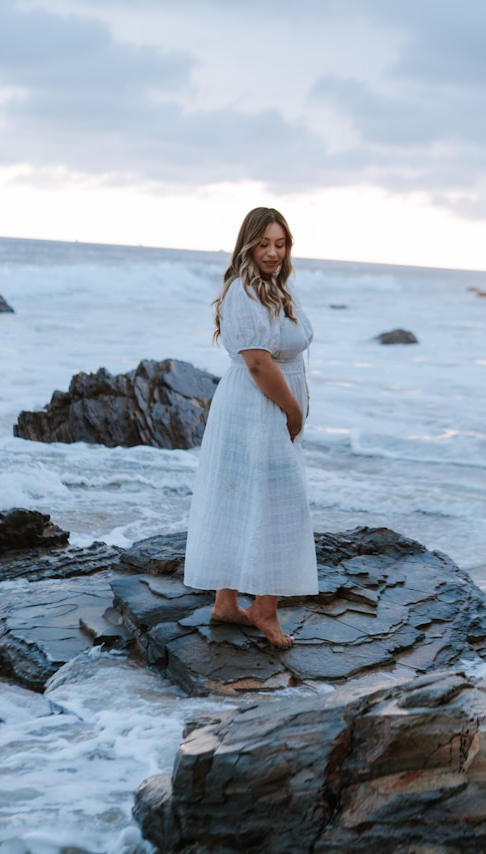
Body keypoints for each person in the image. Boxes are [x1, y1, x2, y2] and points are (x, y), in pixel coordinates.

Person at [183, 207, 318, 649]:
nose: (273, 252)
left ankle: (225, 604)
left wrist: (298, 399)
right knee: (279, 501)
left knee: (241, 494)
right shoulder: (244, 291)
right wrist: (293, 410)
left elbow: (287, 354)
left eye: (280, 244)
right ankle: (264, 607)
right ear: (247, 244)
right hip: (256, 407)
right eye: (264, 244)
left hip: (265, 406)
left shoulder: (278, 289)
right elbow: (258, 363)